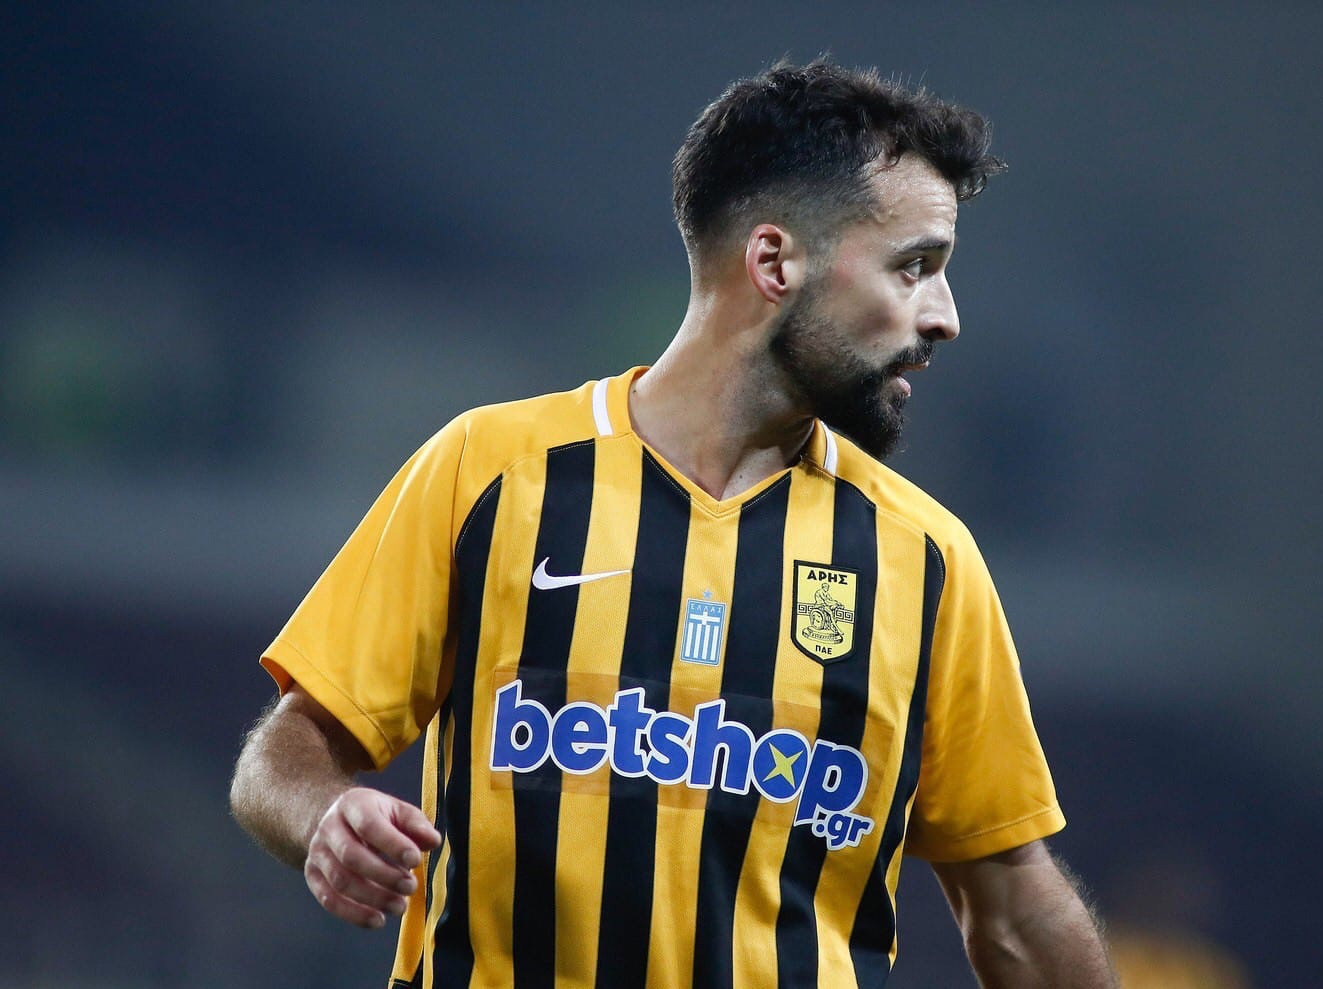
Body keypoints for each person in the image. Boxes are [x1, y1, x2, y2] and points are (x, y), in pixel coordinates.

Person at [230, 59, 1117, 988]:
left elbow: (1015, 913)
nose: (945, 317)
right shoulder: (491, 472)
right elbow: (285, 753)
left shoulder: (926, 559)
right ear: (774, 262)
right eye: (914, 267)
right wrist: (324, 815)